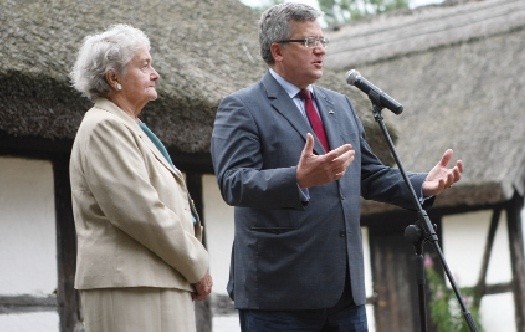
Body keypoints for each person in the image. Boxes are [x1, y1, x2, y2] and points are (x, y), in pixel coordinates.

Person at [211, 3, 462, 332]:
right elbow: (234, 181)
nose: (319, 51)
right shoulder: (243, 107)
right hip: (279, 293)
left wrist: (421, 185)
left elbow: (369, 174)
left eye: (322, 42)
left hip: (344, 292)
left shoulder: (340, 105)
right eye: (307, 42)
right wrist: (297, 178)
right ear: (278, 51)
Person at [69, 24, 212, 332]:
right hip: (131, 286)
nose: (155, 73)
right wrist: (197, 263)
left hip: (158, 280)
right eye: (144, 65)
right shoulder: (105, 126)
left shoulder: (129, 127)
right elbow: (141, 211)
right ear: (113, 78)